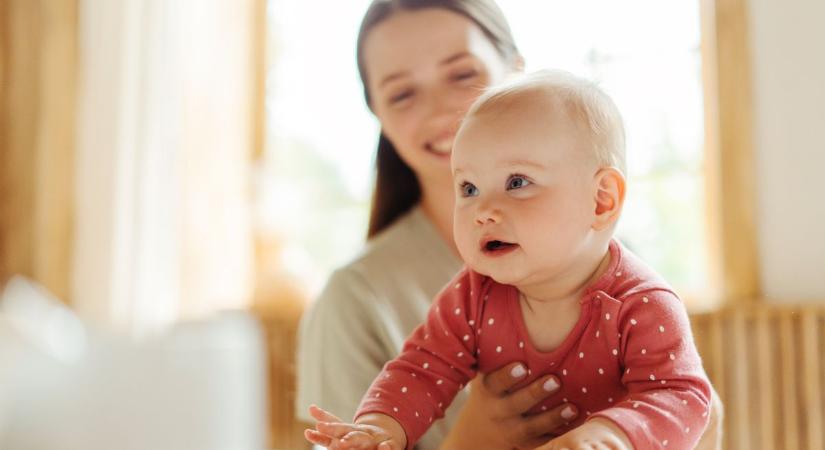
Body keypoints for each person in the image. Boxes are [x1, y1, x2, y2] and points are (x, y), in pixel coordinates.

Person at [295, 1, 723, 449]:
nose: (443, 111)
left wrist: (608, 436)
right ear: (376, 115)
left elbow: (686, 399)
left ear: (602, 201)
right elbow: (422, 367)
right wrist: (385, 427)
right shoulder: (465, 294)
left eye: (517, 182)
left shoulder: (635, 290)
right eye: (469, 189)